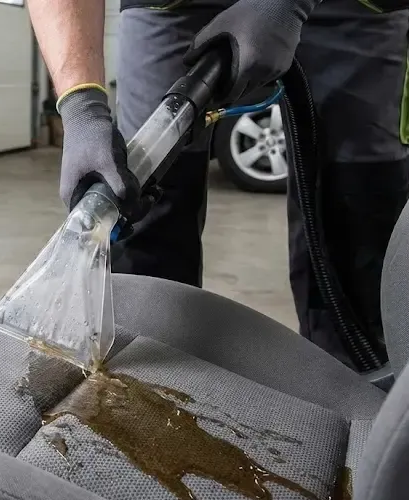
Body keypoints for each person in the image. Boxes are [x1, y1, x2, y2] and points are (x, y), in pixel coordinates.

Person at [28, 0, 409, 370]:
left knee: (355, 215)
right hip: (172, 6)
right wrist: (81, 107)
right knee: (144, 203)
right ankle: (150, 377)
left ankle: (354, 391)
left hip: (351, 8)